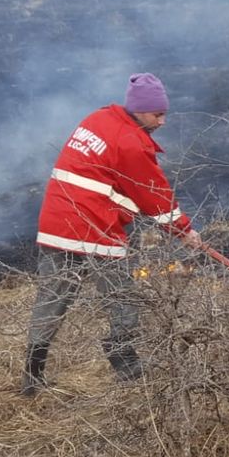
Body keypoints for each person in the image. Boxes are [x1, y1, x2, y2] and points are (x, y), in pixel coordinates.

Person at [21, 72, 201, 398]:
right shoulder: (130, 142)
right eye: (157, 115)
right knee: (122, 297)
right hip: (94, 227)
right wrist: (184, 231)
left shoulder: (97, 119)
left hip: (57, 223)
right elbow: (154, 194)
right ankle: (125, 363)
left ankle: (31, 377)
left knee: (52, 299)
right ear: (139, 110)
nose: (162, 122)